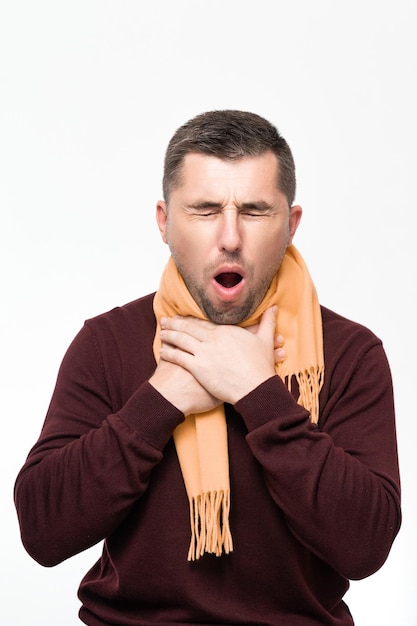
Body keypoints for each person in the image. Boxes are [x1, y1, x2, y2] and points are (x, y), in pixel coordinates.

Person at [14, 110, 401, 625]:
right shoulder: (106, 344)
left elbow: (365, 545)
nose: (230, 237)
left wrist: (260, 393)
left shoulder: (351, 353)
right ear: (164, 222)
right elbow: (43, 530)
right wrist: (160, 401)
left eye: (256, 210)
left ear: (292, 224)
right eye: (204, 209)